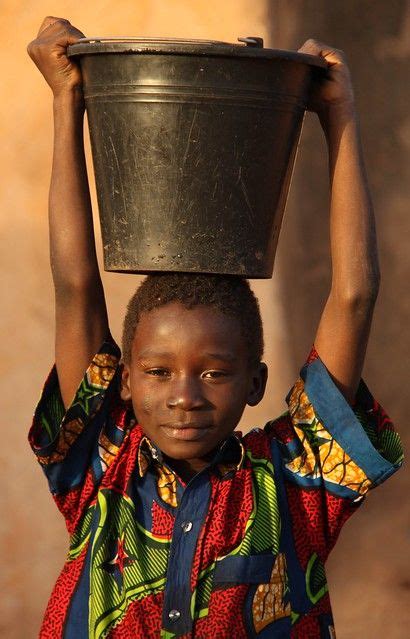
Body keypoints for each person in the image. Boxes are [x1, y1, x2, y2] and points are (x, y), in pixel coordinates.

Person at [27, 16, 403, 639]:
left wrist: (340, 116)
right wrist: (69, 100)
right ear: (121, 378)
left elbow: (355, 295)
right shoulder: (102, 465)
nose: (185, 395)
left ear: (256, 382)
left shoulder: (294, 482)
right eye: (157, 371)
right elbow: (74, 287)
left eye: (214, 372)